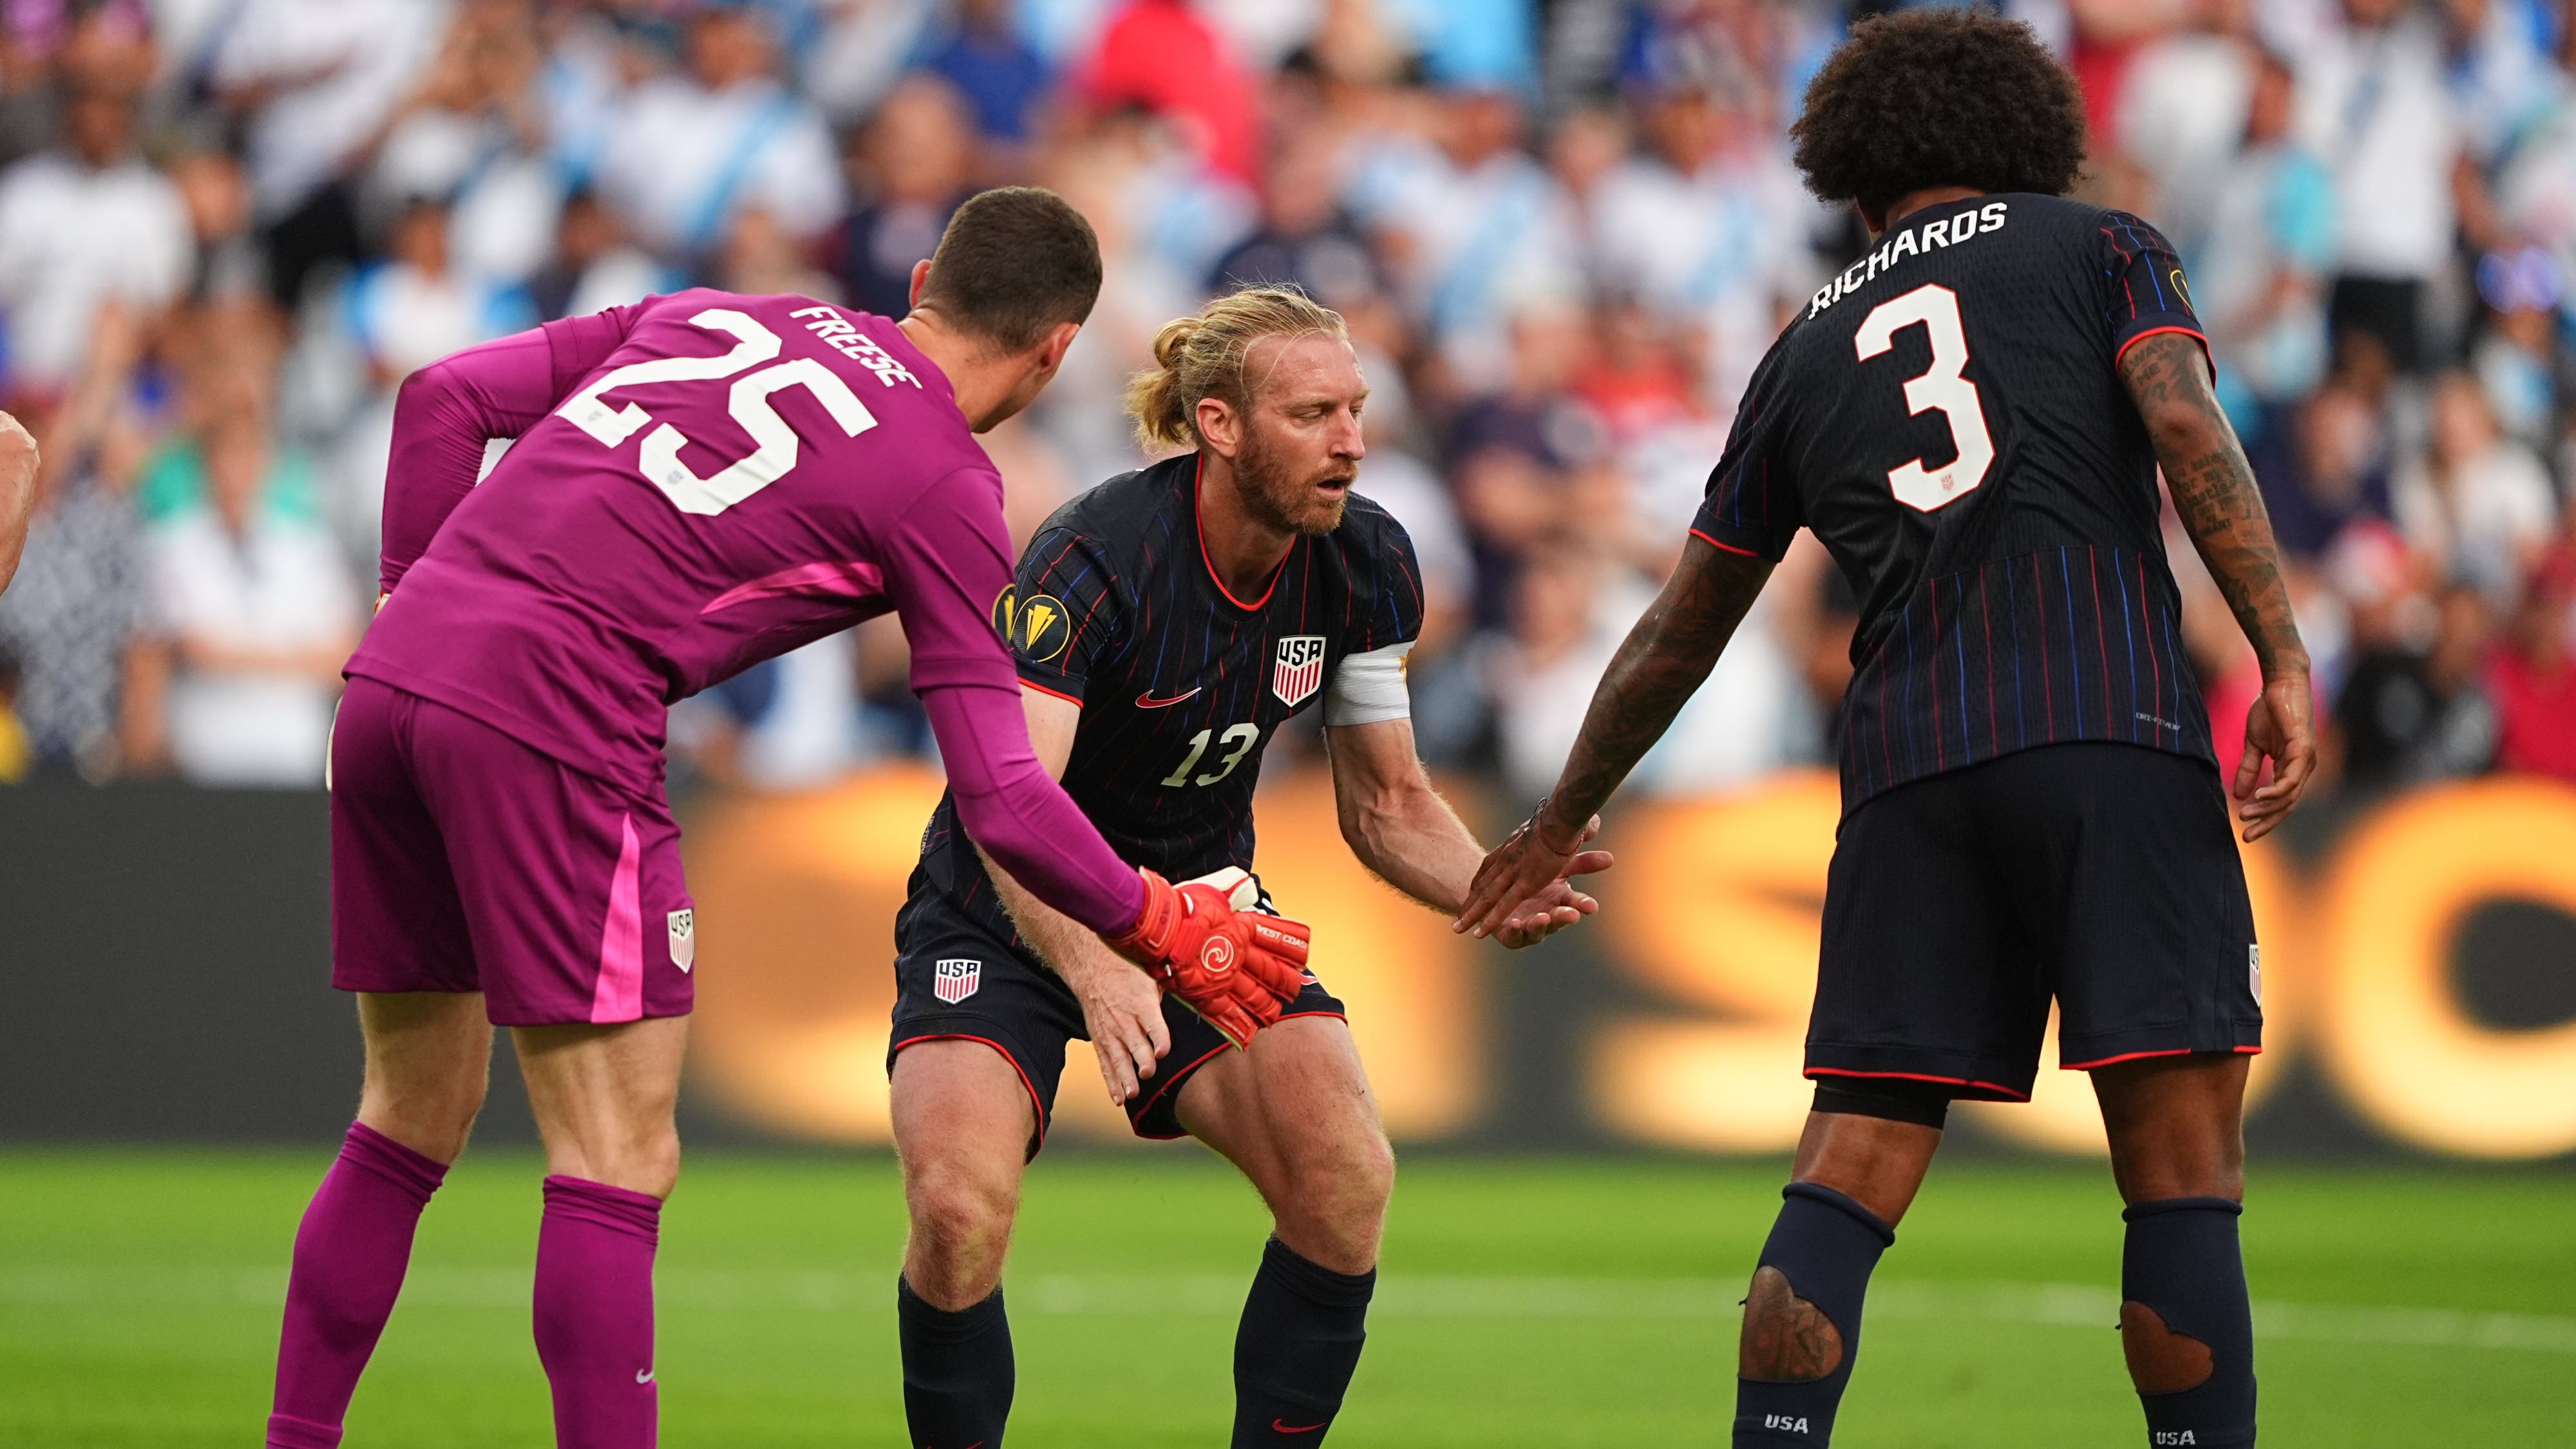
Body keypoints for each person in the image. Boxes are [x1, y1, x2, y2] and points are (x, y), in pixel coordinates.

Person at [263, 187, 1312, 1449]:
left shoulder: (725, 314)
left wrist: (402, 610)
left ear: (924, 275)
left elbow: (442, 399)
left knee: (405, 1116)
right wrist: (1154, 914)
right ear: (1055, 350)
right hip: (558, 713)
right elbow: (1000, 793)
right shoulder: (942, 481)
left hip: (396, 680)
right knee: (613, 1160)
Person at [1458, 14, 2316, 1449]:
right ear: (2027, 137)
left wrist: (1556, 820)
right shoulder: (2100, 247)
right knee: (2177, 1173)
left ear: (1852, 178)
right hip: (2107, 723)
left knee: (1846, 1166)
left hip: (1907, 769)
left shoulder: (1796, 352)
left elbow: (1680, 626)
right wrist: (2280, 652)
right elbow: (2183, 427)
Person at [885, 286, 1607, 1449]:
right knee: (959, 1210)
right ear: (1219, 425)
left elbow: (1385, 799)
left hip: (1204, 914)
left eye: (1358, 411)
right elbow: (1008, 804)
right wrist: (1106, 961)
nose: (1354, 442)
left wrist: (1484, 881)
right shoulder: (1095, 554)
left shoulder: (1367, 561)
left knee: (1346, 1182)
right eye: (1315, 412)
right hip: (1007, 912)